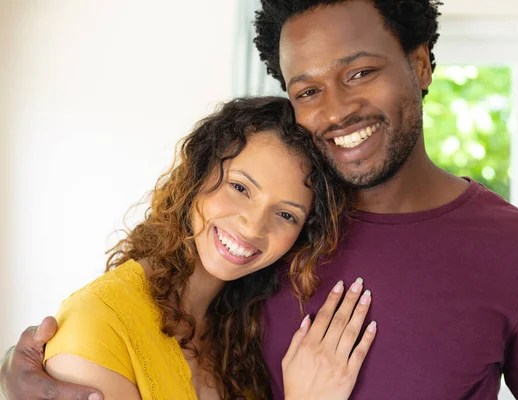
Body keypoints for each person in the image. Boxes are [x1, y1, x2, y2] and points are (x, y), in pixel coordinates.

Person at [1, 0, 518, 399]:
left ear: (420, 63)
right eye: (308, 89)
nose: (334, 109)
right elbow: (137, 333)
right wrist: (37, 369)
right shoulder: (267, 245)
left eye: (359, 73)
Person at [1, 96, 378, 400]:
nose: (252, 225)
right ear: (197, 175)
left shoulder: (239, 330)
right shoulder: (99, 321)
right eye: (240, 187)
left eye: (286, 214)